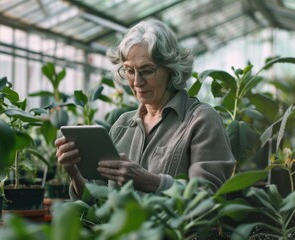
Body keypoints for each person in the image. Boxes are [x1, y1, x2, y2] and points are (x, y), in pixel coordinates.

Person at [55, 19, 235, 198]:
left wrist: (150, 181)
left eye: (147, 71)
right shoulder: (122, 125)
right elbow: (96, 202)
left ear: (172, 70)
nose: (137, 82)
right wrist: (74, 172)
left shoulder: (200, 120)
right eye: (129, 71)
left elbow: (209, 197)